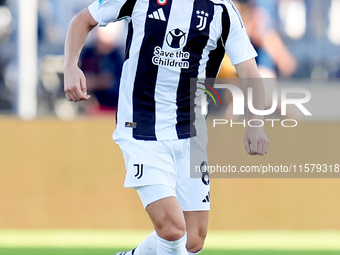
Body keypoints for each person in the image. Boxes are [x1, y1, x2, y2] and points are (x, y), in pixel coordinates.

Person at [63, 0, 269, 254]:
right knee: (172, 228)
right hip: (141, 127)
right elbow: (82, 20)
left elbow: (249, 71)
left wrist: (255, 124)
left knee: (193, 240)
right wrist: (71, 66)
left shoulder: (222, 10)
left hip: (190, 134)